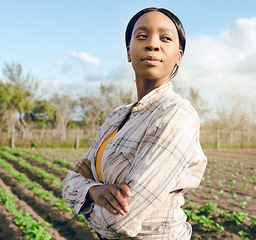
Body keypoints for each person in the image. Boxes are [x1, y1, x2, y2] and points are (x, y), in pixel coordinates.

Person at [62, 7, 207, 240]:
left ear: (179, 56)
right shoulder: (117, 116)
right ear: (129, 51)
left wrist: (85, 194)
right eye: (142, 36)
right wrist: (94, 190)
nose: (152, 44)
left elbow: (120, 218)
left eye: (165, 38)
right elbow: (70, 180)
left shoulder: (177, 115)